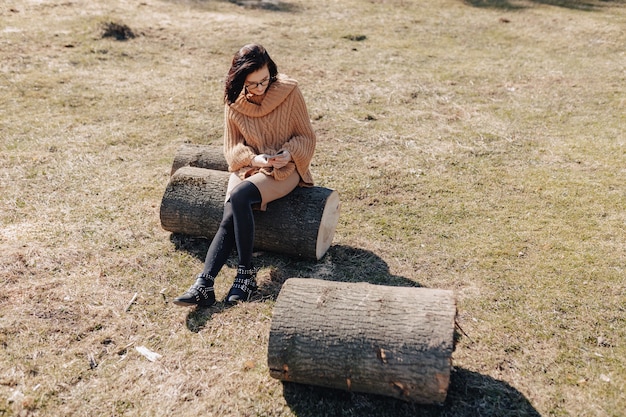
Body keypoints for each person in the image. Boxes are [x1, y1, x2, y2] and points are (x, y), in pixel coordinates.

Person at [174, 44, 316, 307]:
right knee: (230, 214)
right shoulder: (233, 100)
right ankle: (205, 284)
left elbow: (306, 136)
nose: (261, 88)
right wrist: (253, 159)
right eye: (253, 84)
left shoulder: (289, 91)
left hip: (286, 168)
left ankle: (246, 274)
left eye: (265, 80)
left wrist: (289, 153)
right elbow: (232, 147)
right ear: (239, 80)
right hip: (250, 165)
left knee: (239, 196)